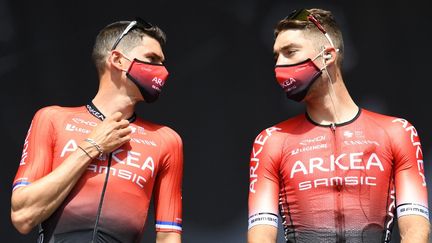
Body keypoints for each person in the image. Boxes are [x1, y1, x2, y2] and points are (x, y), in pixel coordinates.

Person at [247, 8, 430, 243]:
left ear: (328, 55)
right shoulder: (271, 141)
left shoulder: (397, 132)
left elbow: (416, 230)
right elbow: (260, 236)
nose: (279, 66)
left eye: (289, 52)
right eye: (276, 57)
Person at [11, 18, 183, 243]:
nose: (163, 71)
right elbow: (22, 216)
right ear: (118, 60)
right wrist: (92, 146)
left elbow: (168, 235)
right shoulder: (52, 119)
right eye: (152, 59)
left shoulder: (166, 140)